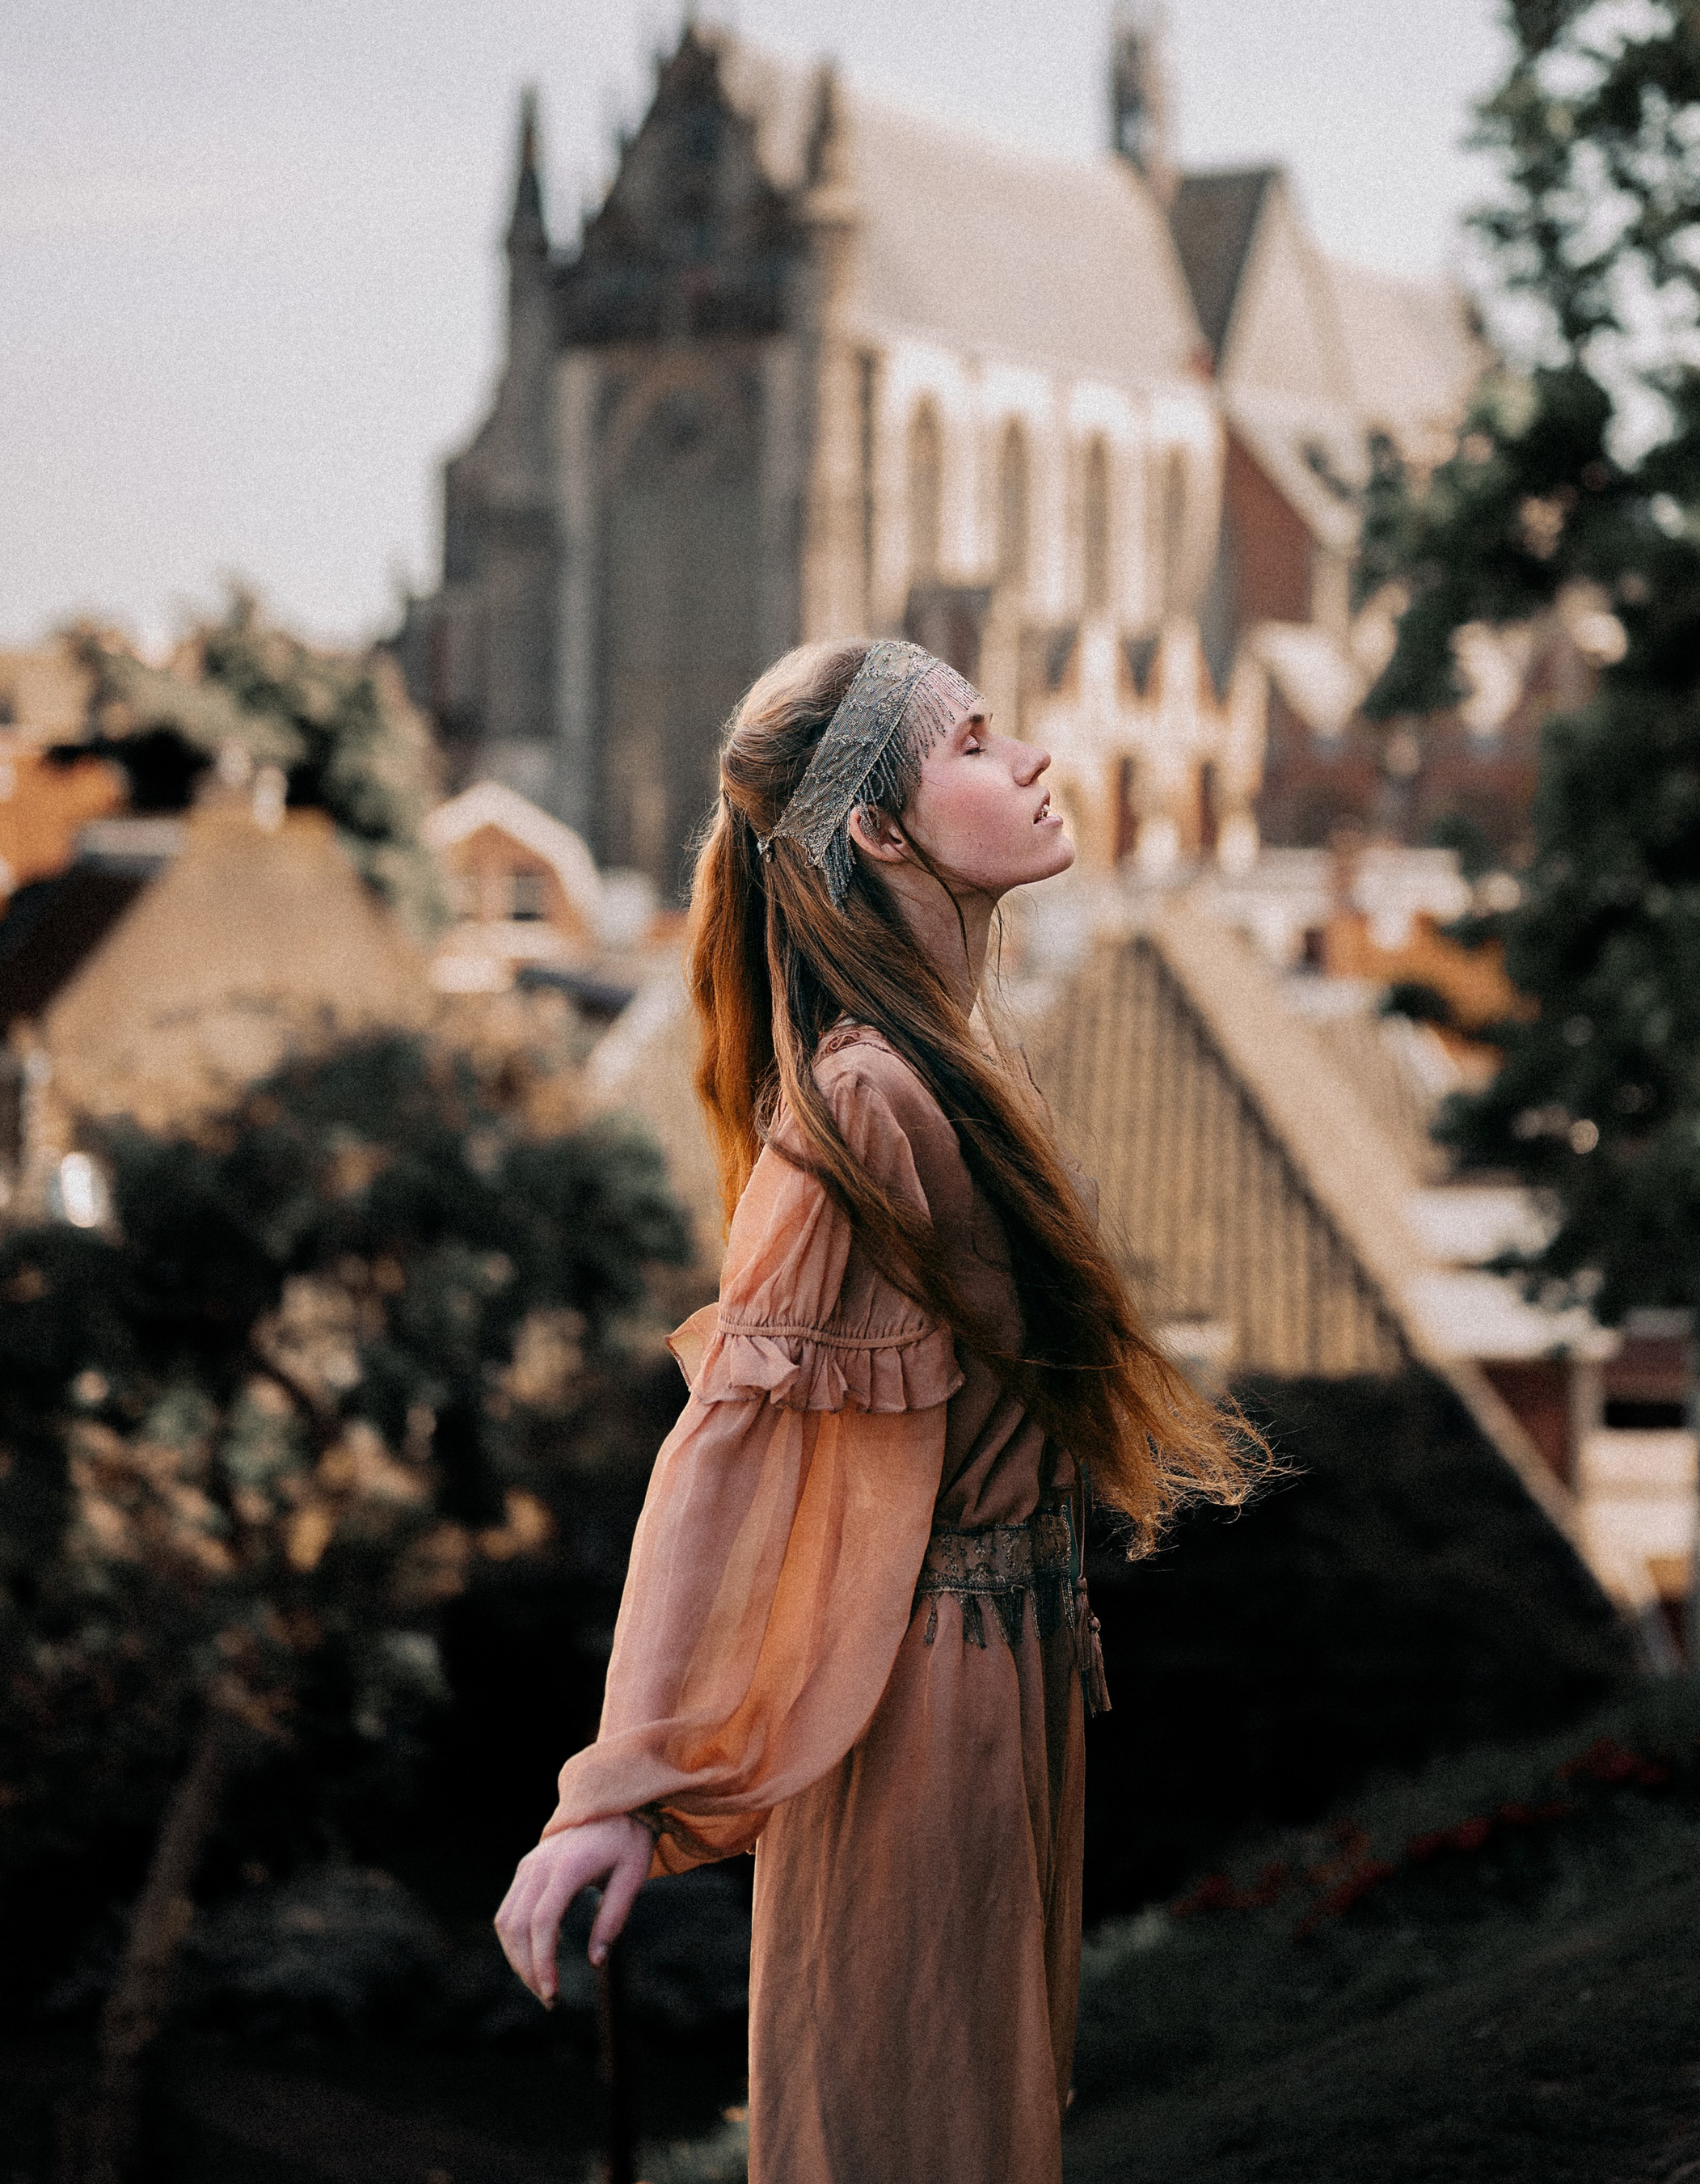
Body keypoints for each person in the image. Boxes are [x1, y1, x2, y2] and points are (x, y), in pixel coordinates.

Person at [495, 637, 1256, 2183]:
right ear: (881, 833)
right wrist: (620, 1787)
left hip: (1008, 1677)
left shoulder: (947, 1063)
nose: (1034, 761)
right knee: (908, 2129)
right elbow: (725, 1452)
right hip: (920, 1711)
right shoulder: (864, 1104)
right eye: (976, 742)